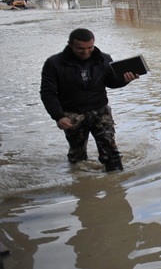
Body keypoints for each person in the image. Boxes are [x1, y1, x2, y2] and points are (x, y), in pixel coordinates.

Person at [40, 28, 139, 172]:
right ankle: (80, 183)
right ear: (70, 45)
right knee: (77, 154)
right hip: (72, 114)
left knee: (110, 149)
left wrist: (124, 80)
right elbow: (48, 93)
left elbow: (111, 82)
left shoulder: (103, 59)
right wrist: (58, 116)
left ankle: (116, 183)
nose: (86, 52)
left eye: (89, 48)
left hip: (100, 111)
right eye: (80, 49)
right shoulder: (54, 63)